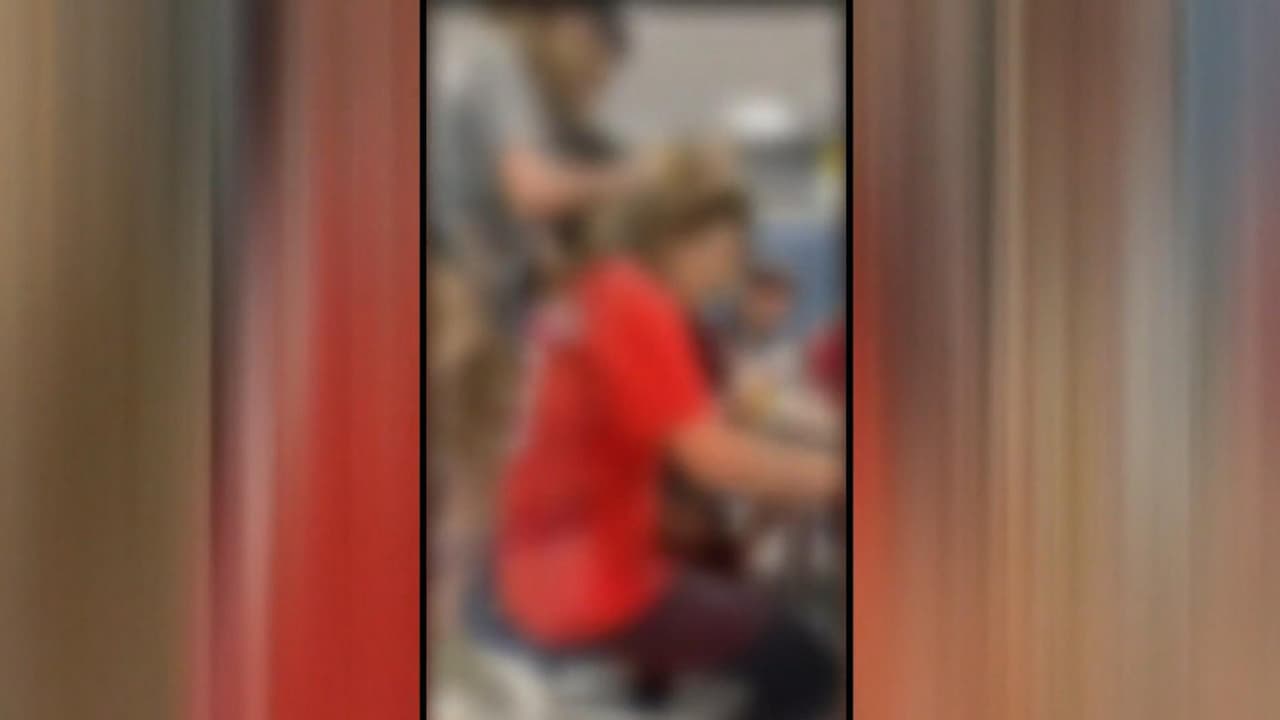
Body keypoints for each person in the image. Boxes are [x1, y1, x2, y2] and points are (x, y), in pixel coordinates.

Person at [489, 147, 842, 719]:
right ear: (684, 236)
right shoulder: (636, 299)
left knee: (747, 606)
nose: (727, 277)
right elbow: (714, 458)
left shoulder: (586, 290)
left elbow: (738, 406)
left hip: (535, 565)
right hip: (591, 583)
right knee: (805, 663)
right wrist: (839, 477)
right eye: (727, 253)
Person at [430, 0, 638, 332]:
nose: (589, 93)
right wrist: (631, 179)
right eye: (592, 74)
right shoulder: (500, 65)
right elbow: (528, 191)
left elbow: (529, 231)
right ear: (572, 29)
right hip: (449, 271)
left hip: (489, 283)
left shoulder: (532, 101)